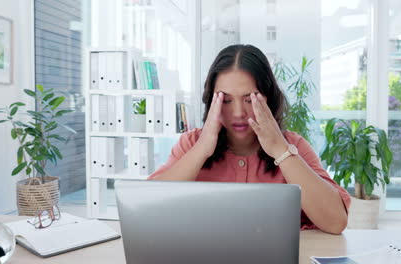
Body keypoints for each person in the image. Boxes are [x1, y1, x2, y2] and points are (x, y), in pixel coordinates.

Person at [148, 44, 350, 234]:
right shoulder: (192, 143)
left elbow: (335, 222)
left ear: (268, 98)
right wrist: (202, 148)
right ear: (211, 102)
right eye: (225, 100)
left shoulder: (292, 146)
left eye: (249, 99)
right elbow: (148, 207)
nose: (238, 113)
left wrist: (280, 150)